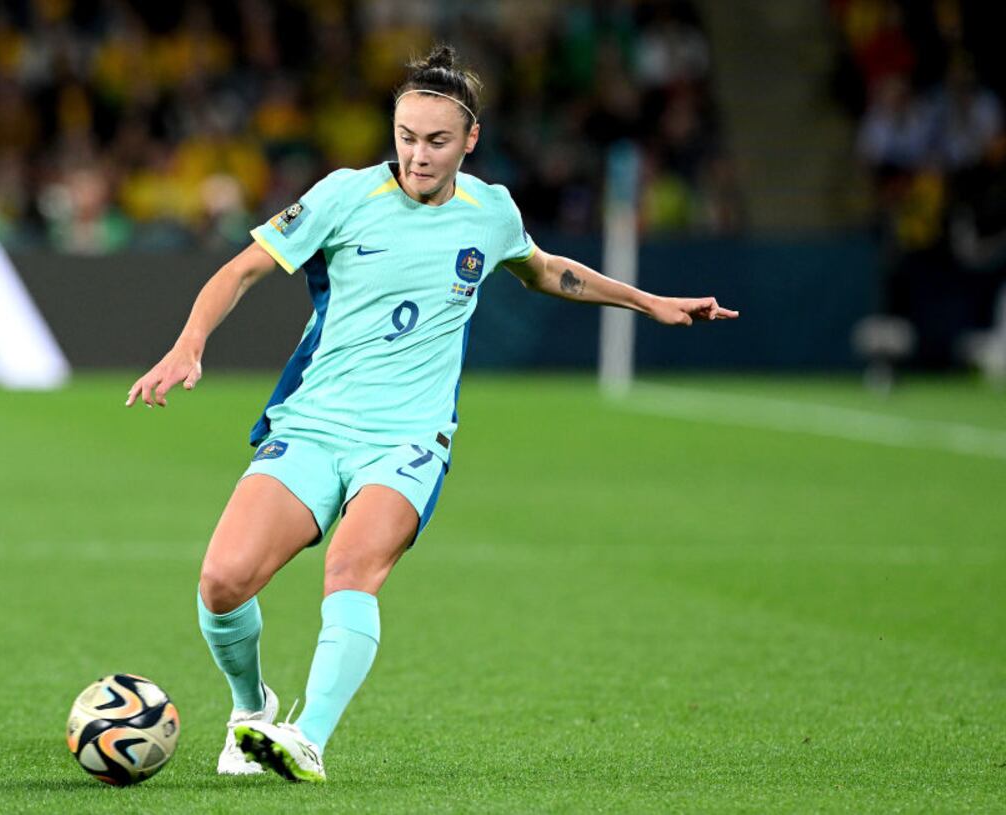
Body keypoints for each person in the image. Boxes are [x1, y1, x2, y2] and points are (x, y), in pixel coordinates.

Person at [125, 45, 738, 784]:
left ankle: (307, 738)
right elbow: (242, 268)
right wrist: (188, 346)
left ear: (470, 139)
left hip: (409, 439)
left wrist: (647, 301)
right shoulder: (345, 196)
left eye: (437, 141)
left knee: (351, 568)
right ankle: (252, 708)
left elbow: (545, 269)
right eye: (407, 136)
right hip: (316, 424)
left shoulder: (492, 212)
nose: (418, 155)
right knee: (222, 581)